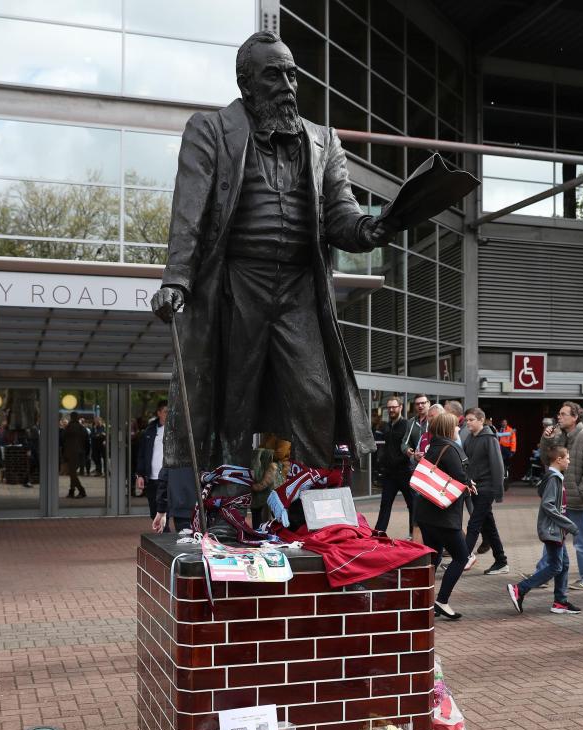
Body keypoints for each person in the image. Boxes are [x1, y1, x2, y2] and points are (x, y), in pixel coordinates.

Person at [151, 30, 403, 474]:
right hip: (237, 283)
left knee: (318, 397)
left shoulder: (323, 141)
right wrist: (176, 280)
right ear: (246, 83)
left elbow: (341, 216)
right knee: (234, 402)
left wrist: (372, 228)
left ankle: (314, 505)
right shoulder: (210, 130)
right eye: (274, 76)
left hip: (298, 289)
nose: (287, 86)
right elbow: (187, 213)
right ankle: (228, 503)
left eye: (292, 75)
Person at [507, 444, 579, 615]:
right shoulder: (554, 479)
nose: (569, 461)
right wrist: (569, 524)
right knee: (555, 567)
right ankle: (520, 589)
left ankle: (560, 602)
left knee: (564, 564)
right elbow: (548, 505)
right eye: (567, 458)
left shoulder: (554, 477)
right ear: (559, 459)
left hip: (556, 531)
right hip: (552, 531)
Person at [413, 412, 472, 620]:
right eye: (456, 426)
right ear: (448, 428)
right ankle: (442, 600)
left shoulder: (432, 447)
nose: (458, 429)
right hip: (444, 516)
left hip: (426, 514)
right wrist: (469, 483)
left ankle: (421, 600)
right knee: (461, 556)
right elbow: (461, 477)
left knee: (434, 558)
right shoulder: (452, 448)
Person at [540, 401, 583, 589]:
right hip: (560, 498)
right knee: (552, 536)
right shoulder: (559, 436)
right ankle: (543, 573)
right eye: (559, 414)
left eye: (563, 414)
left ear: (575, 417)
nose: (559, 417)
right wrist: (546, 440)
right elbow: (546, 460)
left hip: (578, 500)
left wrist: (581, 493)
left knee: (582, 541)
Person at [462, 407, 509, 574]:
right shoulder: (469, 438)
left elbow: (498, 466)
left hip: (486, 488)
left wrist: (499, 492)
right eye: (466, 420)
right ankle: (501, 561)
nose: (467, 423)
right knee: (489, 527)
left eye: (471, 420)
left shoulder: (489, 438)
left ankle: (462, 558)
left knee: (474, 524)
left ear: (481, 421)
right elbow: (465, 462)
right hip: (475, 488)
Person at [374, 397, 414, 537]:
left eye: (394, 407)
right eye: (389, 407)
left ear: (401, 407)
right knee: (385, 504)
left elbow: (410, 447)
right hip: (389, 474)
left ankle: (413, 533)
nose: (391, 410)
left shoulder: (407, 425)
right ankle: (379, 532)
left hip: (404, 472)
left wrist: (399, 460)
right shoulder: (385, 426)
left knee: (412, 505)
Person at [136, 401, 169, 526]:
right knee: (154, 512)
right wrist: (140, 475)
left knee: (167, 511)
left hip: (169, 477)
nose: (168, 414)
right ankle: (164, 538)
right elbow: (142, 455)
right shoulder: (149, 431)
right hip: (153, 478)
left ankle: (166, 539)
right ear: (159, 413)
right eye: (166, 411)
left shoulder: (177, 431)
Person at [62, 412, 87, 499]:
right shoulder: (81, 428)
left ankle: (81, 490)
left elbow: (63, 438)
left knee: (72, 473)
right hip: (79, 452)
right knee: (73, 473)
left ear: (71, 417)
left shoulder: (69, 427)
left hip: (71, 452)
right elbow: (86, 441)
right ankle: (72, 491)